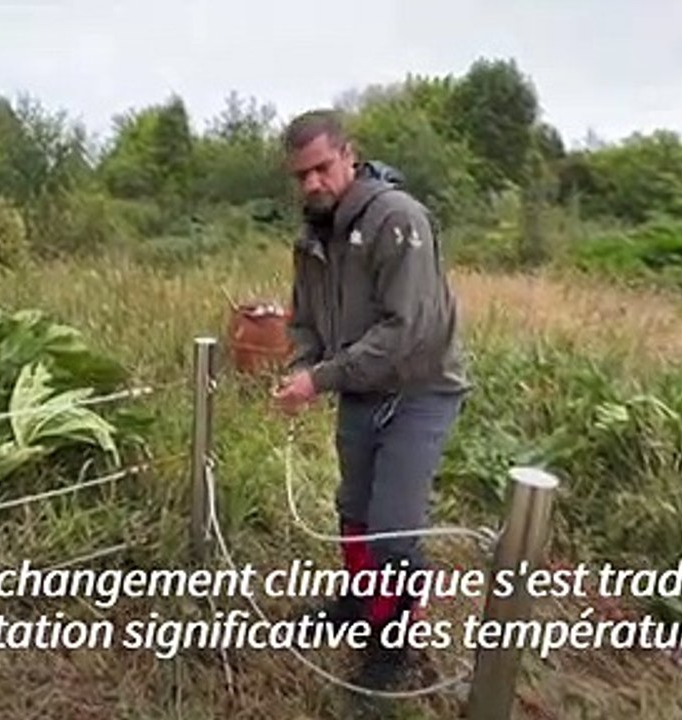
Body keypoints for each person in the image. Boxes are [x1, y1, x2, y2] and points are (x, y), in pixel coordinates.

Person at [271, 108, 470, 691]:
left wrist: (322, 378)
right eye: (301, 175)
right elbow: (304, 320)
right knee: (353, 507)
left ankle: (391, 647)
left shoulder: (397, 220)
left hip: (419, 389)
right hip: (359, 387)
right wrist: (303, 366)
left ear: (348, 156)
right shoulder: (311, 237)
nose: (312, 183)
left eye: (322, 168)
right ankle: (359, 606)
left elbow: (406, 327)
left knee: (392, 528)